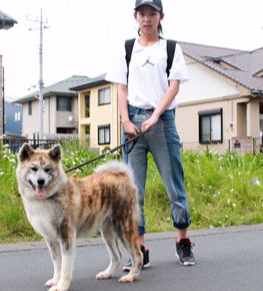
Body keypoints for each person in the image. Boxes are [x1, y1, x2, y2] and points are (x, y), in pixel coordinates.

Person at [105, 0, 195, 269]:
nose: (147, 18)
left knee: (173, 184)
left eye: (152, 13)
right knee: (134, 192)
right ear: (135, 16)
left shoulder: (170, 48)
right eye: (142, 13)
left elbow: (174, 86)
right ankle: (139, 249)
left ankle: (183, 242)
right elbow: (121, 88)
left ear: (160, 16)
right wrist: (125, 120)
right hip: (132, 124)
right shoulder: (126, 48)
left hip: (162, 123)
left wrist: (155, 116)